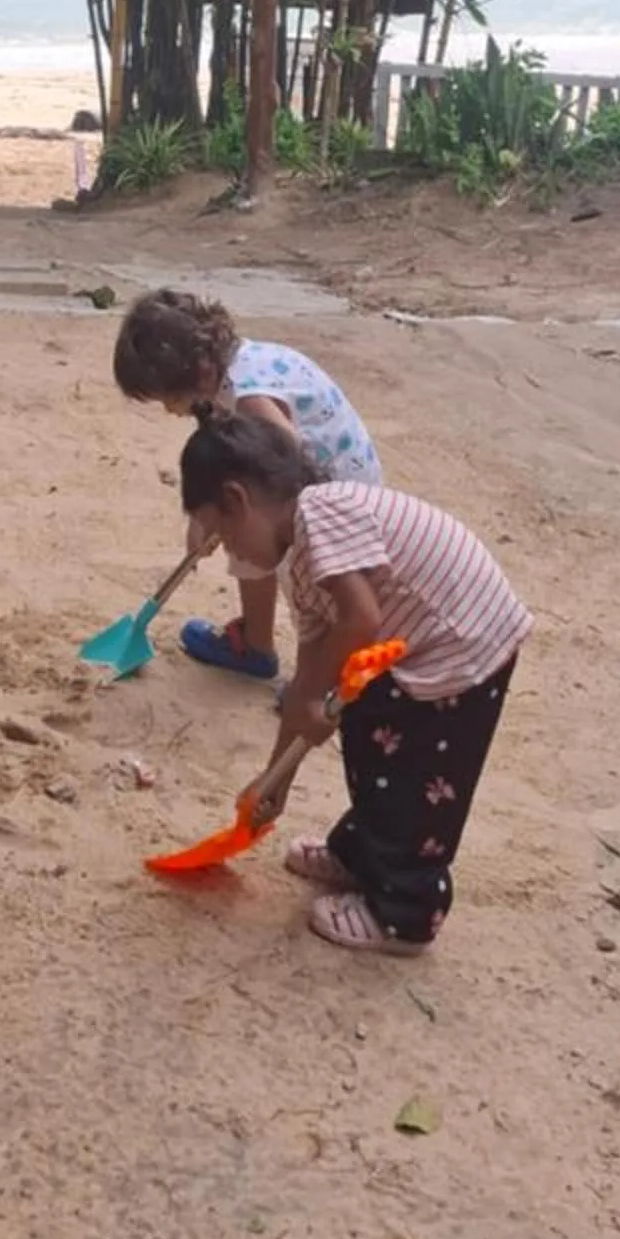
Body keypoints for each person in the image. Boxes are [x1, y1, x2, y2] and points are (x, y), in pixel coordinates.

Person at [179, 407, 528, 956]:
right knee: (368, 740)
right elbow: (310, 673)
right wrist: (275, 781)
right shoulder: (299, 558)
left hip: (462, 647)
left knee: (416, 779)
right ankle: (360, 854)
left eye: (224, 536)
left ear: (238, 500)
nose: (232, 554)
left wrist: (317, 698)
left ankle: (406, 916)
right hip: (409, 647)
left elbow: (360, 619)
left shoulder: (321, 518)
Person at [112, 289, 383, 681]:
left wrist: (241, 515)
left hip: (329, 489)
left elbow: (286, 466)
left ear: (200, 374)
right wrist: (206, 519)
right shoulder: (224, 375)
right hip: (298, 478)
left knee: (304, 575)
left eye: (169, 399)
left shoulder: (250, 397)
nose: (170, 411)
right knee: (243, 536)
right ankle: (257, 646)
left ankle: (327, 676)